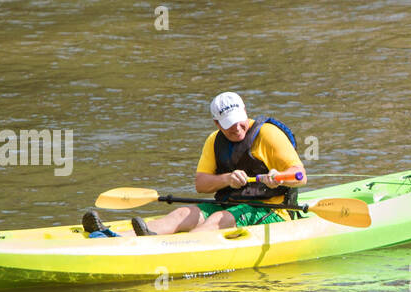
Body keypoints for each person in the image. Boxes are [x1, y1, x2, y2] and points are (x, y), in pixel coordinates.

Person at [82, 91, 306, 237]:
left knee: (220, 219)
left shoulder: (268, 135)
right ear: (217, 123)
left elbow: (300, 175)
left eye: (239, 122)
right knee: (181, 214)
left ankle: (172, 251)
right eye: (228, 125)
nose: (236, 129)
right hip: (229, 204)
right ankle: (111, 236)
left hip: (272, 209)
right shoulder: (213, 141)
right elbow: (201, 184)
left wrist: (277, 177)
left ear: (245, 112)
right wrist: (227, 179)